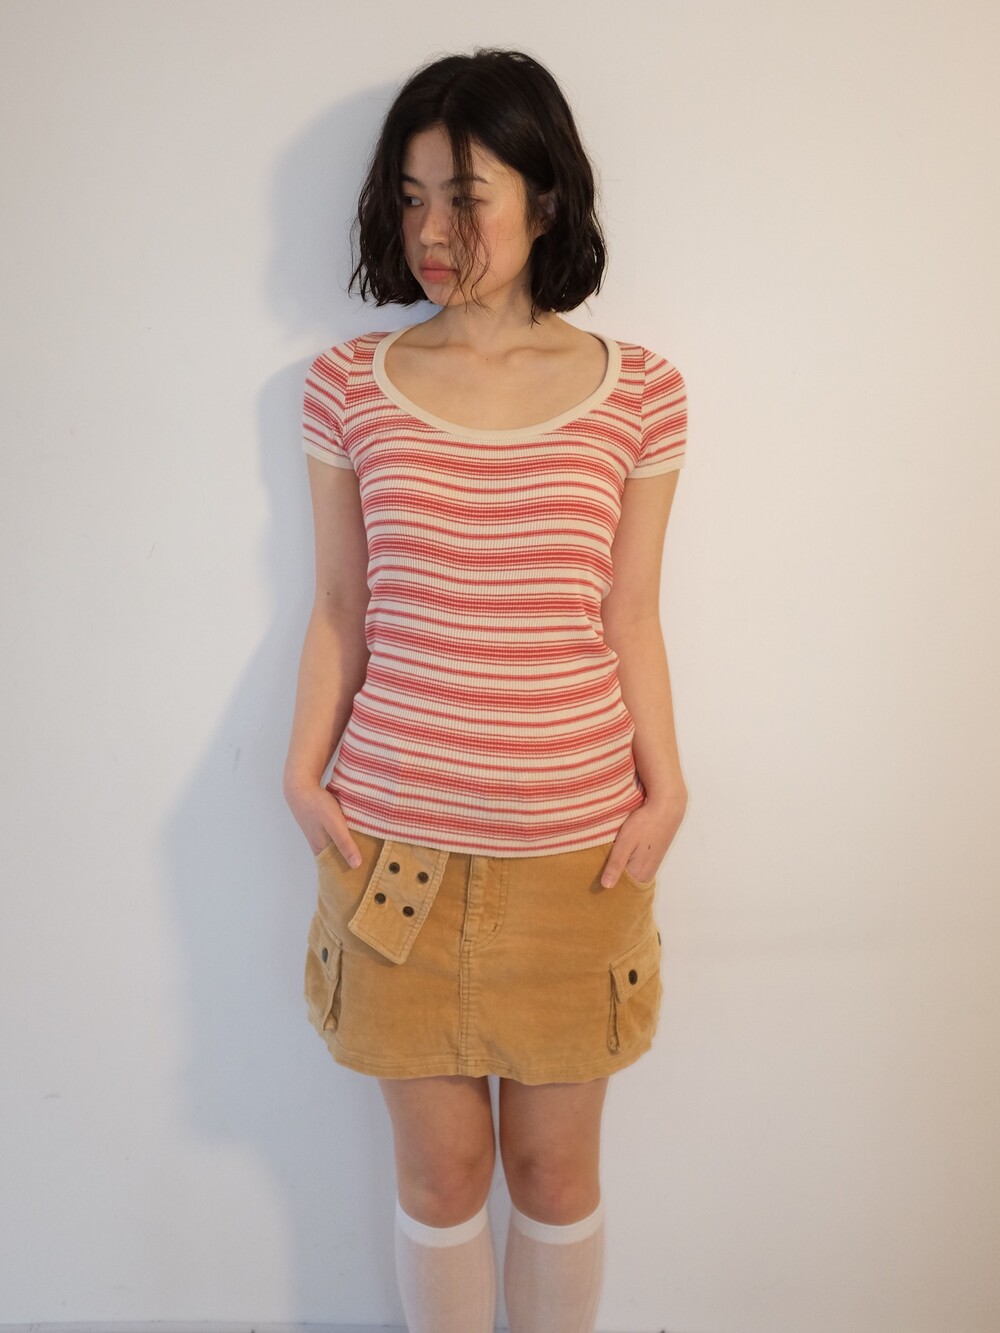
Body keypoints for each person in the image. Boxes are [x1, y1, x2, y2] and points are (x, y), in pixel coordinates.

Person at [284, 47, 688, 1333]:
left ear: (545, 197)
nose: (431, 233)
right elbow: (340, 605)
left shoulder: (640, 391)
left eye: (464, 197)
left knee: (555, 1176)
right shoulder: (350, 386)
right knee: (441, 1175)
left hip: (578, 856)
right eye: (409, 198)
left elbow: (630, 610)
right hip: (391, 853)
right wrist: (301, 772)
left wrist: (668, 786)